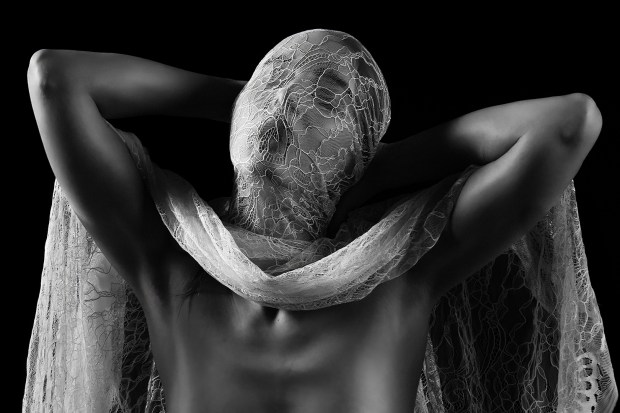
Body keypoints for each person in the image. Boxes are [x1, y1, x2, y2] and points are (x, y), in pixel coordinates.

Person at [24, 29, 617, 412]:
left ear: (357, 151)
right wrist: (237, 97)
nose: (286, 103)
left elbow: (569, 124)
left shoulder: (400, 273)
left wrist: (385, 168)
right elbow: (53, 78)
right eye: (274, 82)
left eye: (327, 99)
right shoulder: (169, 257)